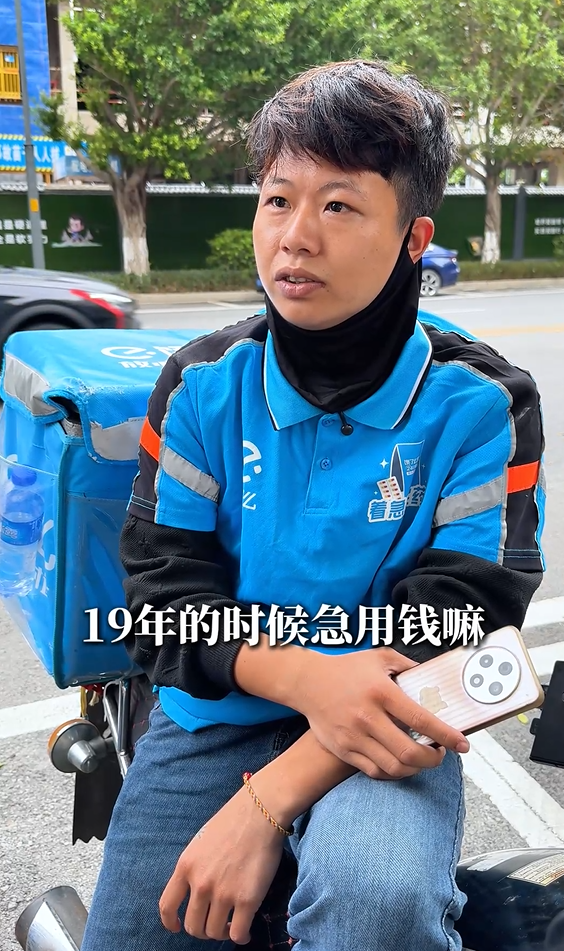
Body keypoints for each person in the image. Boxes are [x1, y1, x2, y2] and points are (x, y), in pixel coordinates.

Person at [80, 59, 546, 951]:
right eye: (276, 200)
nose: (295, 237)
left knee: (378, 904)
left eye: (338, 205)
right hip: (218, 710)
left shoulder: (483, 403)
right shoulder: (204, 386)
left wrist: (266, 802)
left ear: (413, 239)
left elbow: (462, 623)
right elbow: (164, 600)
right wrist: (307, 679)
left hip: (392, 716)